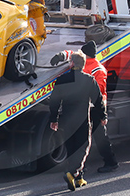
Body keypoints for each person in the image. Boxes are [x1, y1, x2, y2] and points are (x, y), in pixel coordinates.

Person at [50, 40, 120, 173]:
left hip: (93, 107)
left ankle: (110, 162)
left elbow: (98, 92)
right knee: (82, 137)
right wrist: (60, 56)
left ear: (85, 55)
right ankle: (80, 166)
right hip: (85, 106)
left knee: (98, 136)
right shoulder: (83, 61)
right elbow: (71, 53)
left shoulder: (98, 70)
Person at [49, 52, 107, 191]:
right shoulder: (89, 80)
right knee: (84, 147)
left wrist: (54, 119)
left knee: (71, 147)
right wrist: (103, 116)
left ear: (72, 64)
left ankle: (79, 178)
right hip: (82, 120)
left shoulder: (62, 79)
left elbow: (54, 101)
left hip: (66, 120)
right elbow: (98, 101)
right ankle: (72, 172)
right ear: (83, 65)